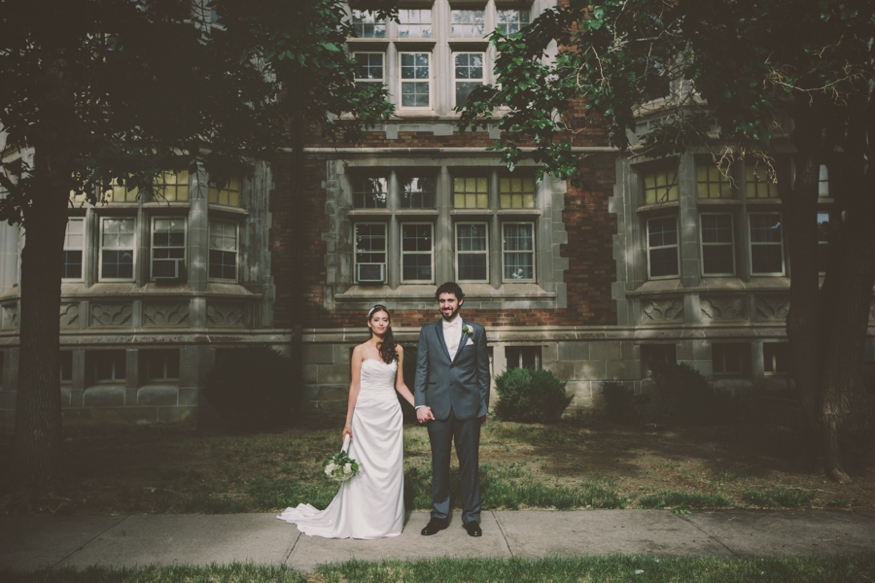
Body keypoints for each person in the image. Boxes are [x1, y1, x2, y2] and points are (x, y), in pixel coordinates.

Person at [277, 304, 415, 539]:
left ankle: (386, 521)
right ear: (369, 323)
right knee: (363, 468)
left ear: (389, 323)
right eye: (376, 319)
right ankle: (360, 520)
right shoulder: (359, 350)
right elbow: (354, 387)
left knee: (389, 468)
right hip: (365, 415)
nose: (381, 323)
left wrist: (420, 405)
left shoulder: (398, 349)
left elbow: (400, 385)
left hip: (390, 415)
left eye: (385, 319)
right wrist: (347, 422)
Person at [415, 282, 490, 537]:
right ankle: (439, 515)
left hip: (468, 407)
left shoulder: (476, 331)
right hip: (437, 408)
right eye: (441, 301)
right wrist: (420, 403)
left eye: (450, 300)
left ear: (460, 301)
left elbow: (483, 372)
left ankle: (471, 517)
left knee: (470, 464)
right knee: (439, 463)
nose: (445, 305)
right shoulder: (427, 332)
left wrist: (482, 406)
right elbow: (422, 370)